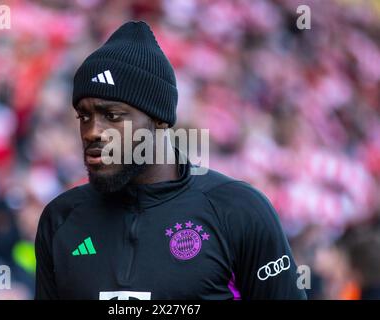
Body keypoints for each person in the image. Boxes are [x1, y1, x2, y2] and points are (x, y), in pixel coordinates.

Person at [35, 20, 306, 300]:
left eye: (112, 116)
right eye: (84, 116)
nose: (92, 131)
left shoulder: (239, 212)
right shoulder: (61, 219)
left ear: (159, 119)